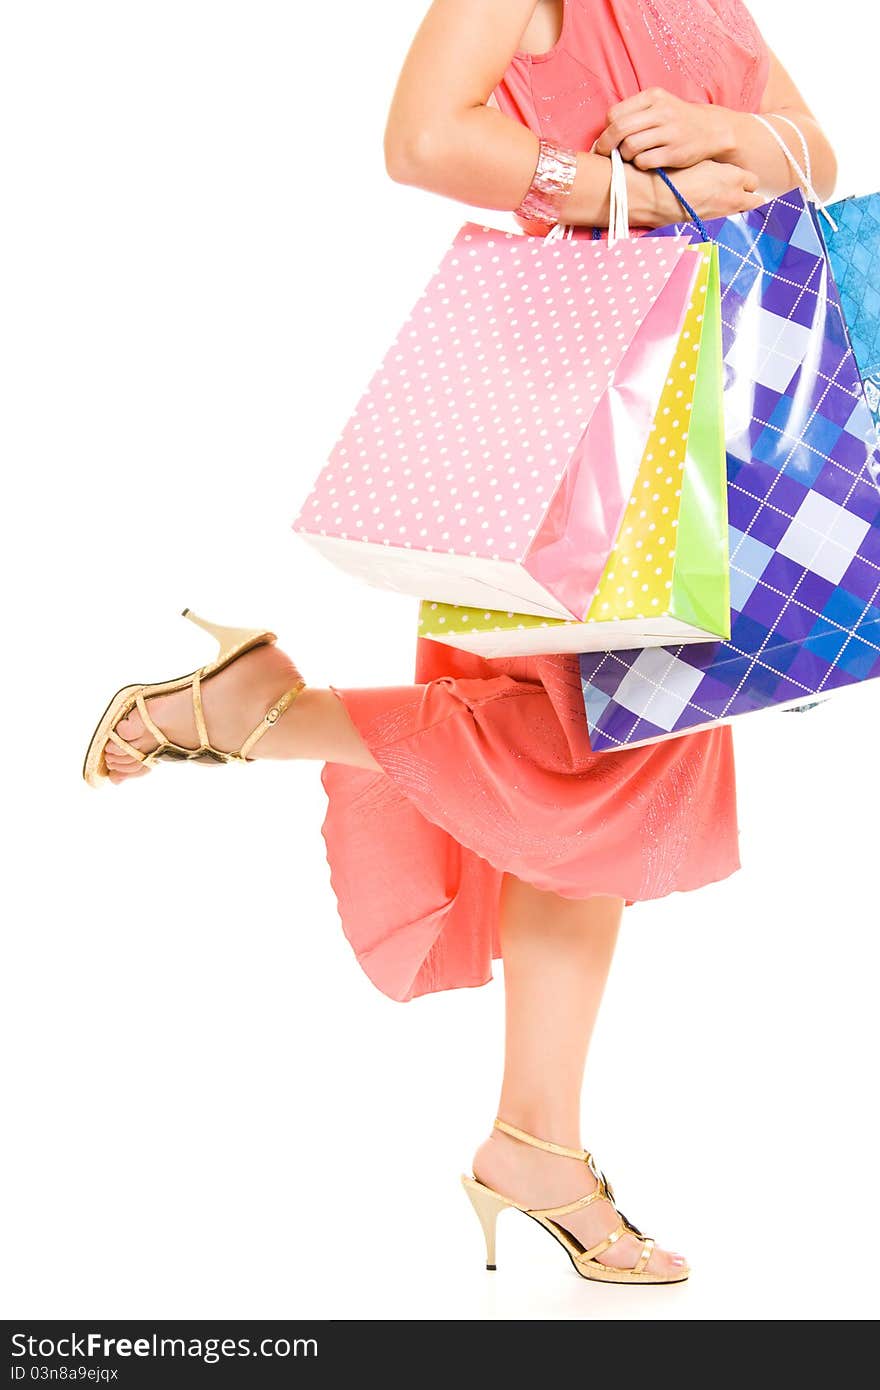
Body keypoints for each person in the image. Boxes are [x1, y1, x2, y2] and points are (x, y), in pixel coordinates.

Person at [83, 0, 836, 1285]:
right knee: (585, 752)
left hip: (704, 399)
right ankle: (257, 711)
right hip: (574, 402)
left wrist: (725, 132)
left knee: (623, 754)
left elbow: (813, 158)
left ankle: (536, 1137)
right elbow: (423, 138)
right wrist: (621, 189)